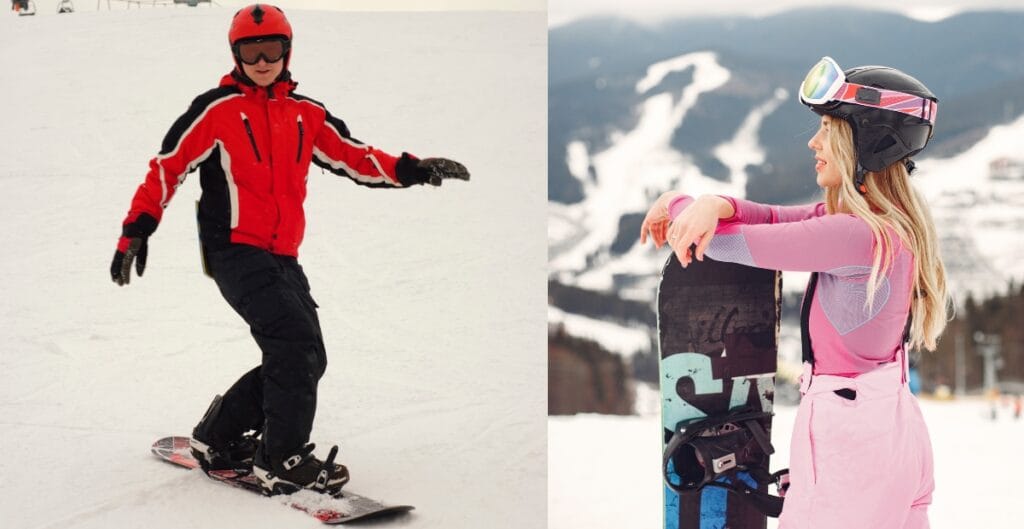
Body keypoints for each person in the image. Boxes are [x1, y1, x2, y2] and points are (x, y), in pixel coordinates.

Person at [110, 3, 469, 496]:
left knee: (308, 355)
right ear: (235, 55)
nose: (261, 61)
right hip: (232, 248)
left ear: (287, 51)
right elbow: (167, 167)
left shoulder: (307, 113)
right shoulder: (216, 111)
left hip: (282, 254)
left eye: (271, 49)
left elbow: (354, 155)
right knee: (293, 344)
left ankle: (217, 436)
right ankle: (283, 459)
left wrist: (412, 169)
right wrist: (137, 229)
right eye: (250, 51)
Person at [640, 56, 946, 529]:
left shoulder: (856, 236)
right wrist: (715, 202)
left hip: (848, 445)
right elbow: (773, 218)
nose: (814, 142)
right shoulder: (881, 228)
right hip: (890, 430)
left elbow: (738, 244)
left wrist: (676, 204)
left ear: (863, 143)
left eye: (828, 128)